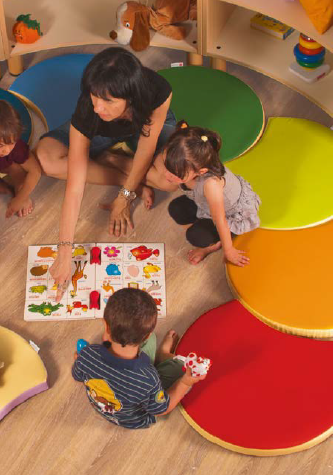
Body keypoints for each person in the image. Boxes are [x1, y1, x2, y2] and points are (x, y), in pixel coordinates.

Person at [37, 48, 176, 290]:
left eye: (108, 100)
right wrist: (65, 253)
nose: (98, 107)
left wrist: (124, 198)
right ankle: (119, 167)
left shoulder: (158, 90)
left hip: (141, 127)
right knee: (46, 159)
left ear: (129, 98)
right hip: (102, 132)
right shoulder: (89, 111)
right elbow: (74, 189)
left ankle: (114, 160)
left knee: (170, 180)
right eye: (94, 96)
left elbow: (146, 150)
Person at [71, 289, 205, 430]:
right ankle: (163, 354)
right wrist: (185, 382)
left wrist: (82, 359)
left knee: (154, 352)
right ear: (146, 336)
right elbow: (162, 409)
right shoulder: (149, 379)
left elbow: (77, 376)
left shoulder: (87, 354)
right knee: (178, 367)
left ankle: (161, 356)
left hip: (107, 407)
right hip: (136, 418)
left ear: (106, 325)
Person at [162, 122, 261, 266]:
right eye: (166, 165)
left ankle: (213, 245)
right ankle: (204, 227)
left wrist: (229, 251)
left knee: (195, 236)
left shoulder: (211, 184)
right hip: (206, 204)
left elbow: (220, 220)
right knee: (176, 208)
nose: (166, 175)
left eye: (175, 173)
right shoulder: (187, 164)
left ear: (201, 171)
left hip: (231, 214)